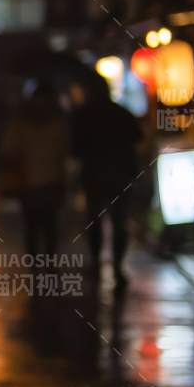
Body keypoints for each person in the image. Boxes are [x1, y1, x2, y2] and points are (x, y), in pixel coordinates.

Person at [73, 81, 144, 286]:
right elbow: (137, 137)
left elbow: (75, 148)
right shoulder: (121, 113)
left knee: (95, 221)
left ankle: (97, 264)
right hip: (120, 175)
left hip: (94, 175)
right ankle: (117, 267)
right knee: (119, 222)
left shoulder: (84, 116)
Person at [1, 79, 69, 258]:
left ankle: (40, 263)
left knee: (40, 225)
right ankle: (44, 262)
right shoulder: (55, 122)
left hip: (37, 181)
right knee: (44, 225)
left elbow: (9, 149)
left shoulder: (25, 123)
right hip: (38, 180)